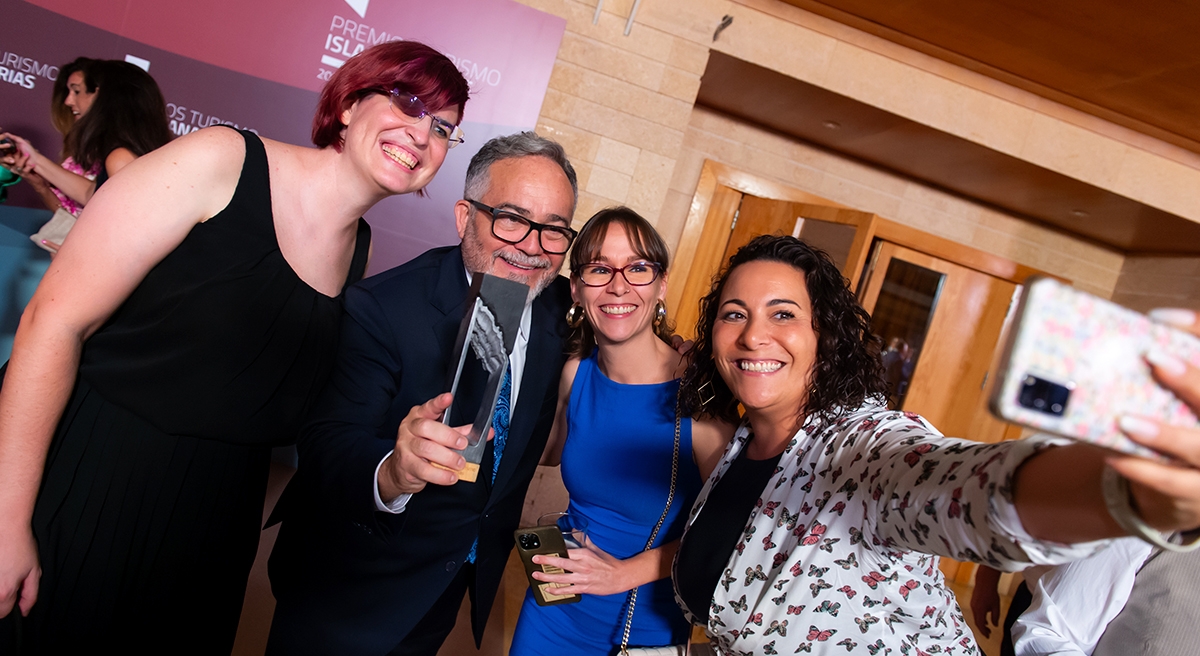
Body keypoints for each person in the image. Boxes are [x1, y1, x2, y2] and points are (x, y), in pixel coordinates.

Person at [0, 40, 469, 653]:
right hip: (96, 474)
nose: (421, 134)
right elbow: (53, 324)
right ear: (350, 104)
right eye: (406, 103)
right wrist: (9, 522)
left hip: (214, 525)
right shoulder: (221, 160)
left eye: (442, 128)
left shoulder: (361, 248)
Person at [671, 235, 1200, 655]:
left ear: (825, 337)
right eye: (734, 313)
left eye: (783, 314)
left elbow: (969, 488)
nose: (752, 335)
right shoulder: (742, 446)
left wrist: (1125, 494)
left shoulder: (862, 448)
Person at [265, 131, 579, 655]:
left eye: (553, 230)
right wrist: (392, 470)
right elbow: (327, 440)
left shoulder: (556, 310)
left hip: (445, 591)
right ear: (464, 217)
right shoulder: (382, 307)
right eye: (511, 219)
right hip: (349, 586)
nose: (532, 245)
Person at [508, 208, 733, 655]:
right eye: (598, 268)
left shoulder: (702, 397)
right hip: (553, 611)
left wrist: (621, 574)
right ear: (576, 288)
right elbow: (546, 452)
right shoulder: (576, 375)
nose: (618, 285)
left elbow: (730, 534)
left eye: (637, 268)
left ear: (661, 284)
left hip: (640, 629)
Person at [2, 59, 172, 230]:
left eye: (77, 91)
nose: (68, 101)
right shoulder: (107, 151)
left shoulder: (122, 156)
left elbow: (112, 214)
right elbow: (87, 201)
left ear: (104, 97)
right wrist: (37, 172)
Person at [8, 56, 99, 217]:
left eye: (76, 91)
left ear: (99, 95)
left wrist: (36, 159)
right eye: (68, 92)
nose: (68, 101)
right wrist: (41, 186)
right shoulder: (78, 152)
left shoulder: (120, 152)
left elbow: (97, 198)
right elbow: (67, 218)